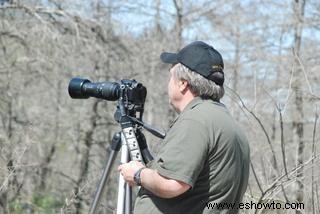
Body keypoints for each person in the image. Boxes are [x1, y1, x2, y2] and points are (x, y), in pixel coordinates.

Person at [118, 41, 250, 214]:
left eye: (170, 76)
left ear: (182, 83)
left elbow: (173, 184)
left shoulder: (196, 121)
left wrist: (137, 174)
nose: (168, 83)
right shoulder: (226, 121)